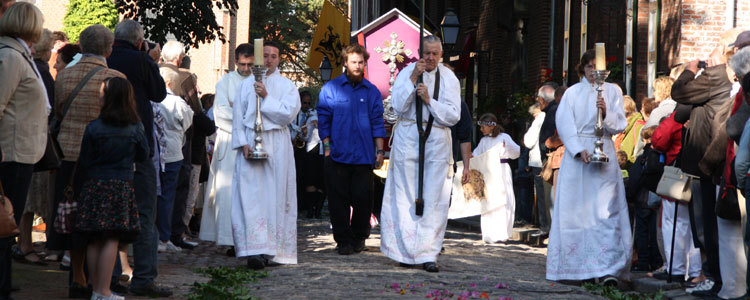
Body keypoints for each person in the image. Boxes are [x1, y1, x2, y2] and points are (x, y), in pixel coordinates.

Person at [51, 24, 128, 298]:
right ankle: (98, 284)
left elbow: (59, 110)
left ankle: (79, 274)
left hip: (68, 154)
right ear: (110, 49)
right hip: (101, 159)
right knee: (97, 220)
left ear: (81, 48)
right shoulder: (116, 77)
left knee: (71, 215)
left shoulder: (65, 76)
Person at [546, 49, 630, 285]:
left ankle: (608, 267)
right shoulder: (573, 93)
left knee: (606, 211)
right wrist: (575, 148)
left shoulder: (613, 91)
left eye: (599, 67)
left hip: (604, 150)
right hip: (579, 158)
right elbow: (564, 123)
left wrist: (606, 111)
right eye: (590, 66)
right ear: (582, 68)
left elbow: (619, 123)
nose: (595, 71)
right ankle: (575, 267)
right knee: (577, 212)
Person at [380, 36, 460, 273]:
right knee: (406, 195)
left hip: (435, 139)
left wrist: (429, 100)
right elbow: (396, 107)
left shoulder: (449, 78)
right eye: (427, 53)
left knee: (434, 197)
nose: (431, 58)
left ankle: (428, 252)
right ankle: (405, 251)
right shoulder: (407, 73)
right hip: (408, 137)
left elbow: (453, 115)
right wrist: (414, 79)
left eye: (435, 53)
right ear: (420, 52)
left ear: (441, 54)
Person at [670, 28, 740, 297]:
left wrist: (689, 70)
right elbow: (682, 111)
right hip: (716, 159)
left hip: (704, 160)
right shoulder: (726, 80)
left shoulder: (714, 76)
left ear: (723, 52)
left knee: (705, 224)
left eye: (714, 47)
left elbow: (678, 93)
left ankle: (713, 275)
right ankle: (716, 275)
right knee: (712, 223)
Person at [106, 19, 170, 297]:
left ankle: (107, 278)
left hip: (106, 142)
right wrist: (149, 59)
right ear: (140, 40)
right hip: (138, 142)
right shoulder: (142, 60)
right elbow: (159, 93)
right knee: (144, 212)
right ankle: (144, 278)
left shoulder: (106, 58)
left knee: (108, 213)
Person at [74, 77, 149, 300]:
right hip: (120, 184)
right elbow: (144, 154)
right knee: (112, 238)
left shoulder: (93, 127)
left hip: (95, 184)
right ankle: (104, 291)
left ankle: (97, 289)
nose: (99, 95)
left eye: (102, 92)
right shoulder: (135, 126)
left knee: (94, 238)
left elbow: (84, 160)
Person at [231, 41, 300, 269]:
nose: (269, 59)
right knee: (251, 198)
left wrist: (267, 96)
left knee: (275, 197)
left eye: (274, 56)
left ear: (279, 59)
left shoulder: (287, 85)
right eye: (266, 55)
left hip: (276, 142)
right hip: (251, 141)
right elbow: (238, 118)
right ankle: (254, 249)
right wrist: (242, 143)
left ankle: (274, 249)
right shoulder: (244, 85)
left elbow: (287, 116)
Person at [317, 44, 386, 254]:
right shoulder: (331, 89)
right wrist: (327, 148)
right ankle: (343, 240)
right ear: (345, 63)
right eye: (353, 62)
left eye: (361, 62)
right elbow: (323, 119)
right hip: (337, 155)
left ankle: (359, 237)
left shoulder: (372, 91)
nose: (357, 66)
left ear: (365, 64)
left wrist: (380, 151)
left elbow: (377, 122)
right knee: (338, 202)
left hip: (364, 156)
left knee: (363, 199)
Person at [0, 3, 47, 299]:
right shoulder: (10, 56)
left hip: (21, 149)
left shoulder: (17, 54)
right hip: (11, 151)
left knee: (8, 224)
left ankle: (4, 282)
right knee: (5, 221)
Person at [200, 44, 254, 253]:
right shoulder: (225, 83)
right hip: (230, 141)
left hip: (250, 140)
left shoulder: (258, 81)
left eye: (250, 64)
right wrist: (246, 116)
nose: (246, 68)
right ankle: (231, 239)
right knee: (228, 192)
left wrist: (238, 109)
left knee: (248, 192)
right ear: (235, 62)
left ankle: (250, 237)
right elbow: (220, 113)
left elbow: (261, 111)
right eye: (242, 64)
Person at [14, 28, 54, 267]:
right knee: (29, 200)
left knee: (27, 199)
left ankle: (23, 243)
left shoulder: (34, 69)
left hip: (29, 139)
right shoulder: (39, 71)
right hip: (33, 141)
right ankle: (24, 244)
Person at [155, 67, 193, 252]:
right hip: (173, 152)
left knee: (156, 193)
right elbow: (187, 122)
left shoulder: (153, 99)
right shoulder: (176, 101)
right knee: (168, 195)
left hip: (157, 151)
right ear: (169, 83)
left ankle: (158, 235)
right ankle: (164, 236)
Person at [472, 113, 521, 243]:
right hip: (488, 171)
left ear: (491, 126)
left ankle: (502, 233)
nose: (481, 130)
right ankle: (489, 233)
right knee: (489, 200)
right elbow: (476, 154)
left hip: (502, 169)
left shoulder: (504, 137)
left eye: (483, 127)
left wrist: (507, 149)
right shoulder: (484, 141)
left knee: (504, 199)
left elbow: (516, 152)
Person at [299, 91, 325, 219]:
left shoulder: (328, 117)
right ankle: (310, 210)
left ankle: (318, 211)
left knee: (322, 182)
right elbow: (306, 138)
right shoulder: (311, 116)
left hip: (323, 152)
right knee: (310, 181)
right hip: (311, 153)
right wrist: (304, 132)